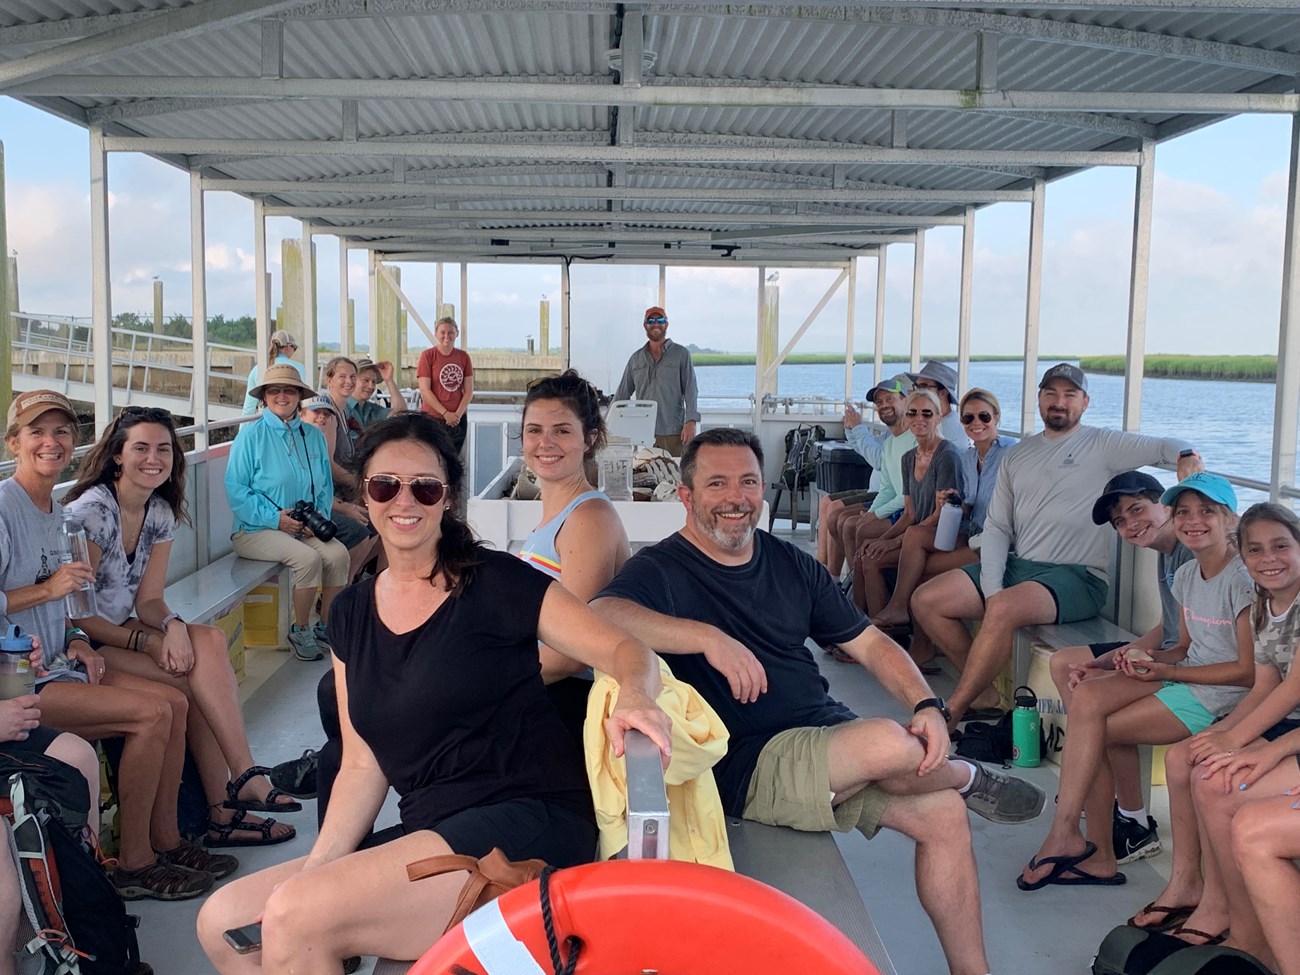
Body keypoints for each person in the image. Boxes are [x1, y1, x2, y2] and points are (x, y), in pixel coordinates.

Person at [196, 413, 671, 971]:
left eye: (424, 486)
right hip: (433, 828)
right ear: (366, 498)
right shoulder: (351, 612)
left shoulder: (498, 583)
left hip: (525, 820)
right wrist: (320, 863)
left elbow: (626, 651)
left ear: (446, 497)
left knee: (297, 915)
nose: (405, 500)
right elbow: (360, 764)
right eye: (384, 485)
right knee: (222, 920)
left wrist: (636, 694)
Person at [591, 427, 1046, 975]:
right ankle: (965, 775)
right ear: (686, 497)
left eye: (748, 482)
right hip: (753, 762)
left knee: (943, 814)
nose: (736, 497)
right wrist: (708, 638)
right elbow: (603, 615)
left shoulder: (791, 563)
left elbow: (872, 643)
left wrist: (929, 706)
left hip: (828, 743)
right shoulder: (661, 570)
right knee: (889, 743)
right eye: (716, 483)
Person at [0, 390, 214, 900]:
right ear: (13, 443)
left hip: (59, 664)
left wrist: (78, 638)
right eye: (37, 432)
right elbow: (47, 592)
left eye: (62, 432)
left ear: (76, 444)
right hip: (16, 679)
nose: (51, 442)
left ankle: (164, 840)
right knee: (152, 714)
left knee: (176, 701)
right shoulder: (5, 507)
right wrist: (48, 591)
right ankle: (134, 863)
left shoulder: (60, 514)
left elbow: (74, 607)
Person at [63, 406, 298, 853]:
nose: (154, 458)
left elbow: (150, 599)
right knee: (192, 684)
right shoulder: (92, 513)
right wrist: (148, 641)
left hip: (122, 624)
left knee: (204, 640)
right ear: (117, 455)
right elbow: (78, 615)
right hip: (81, 641)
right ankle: (228, 800)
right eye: (141, 448)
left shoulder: (157, 511)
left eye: (164, 449)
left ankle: (240, 780)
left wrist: (170, 625)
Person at [912, 363, 1198, 725]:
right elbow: (999, 526)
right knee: (926, 600)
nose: (1059, 402)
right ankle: (984, 691)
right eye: (1051, 393)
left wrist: (1186, 454)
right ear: (1040, 400)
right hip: (1023, 566)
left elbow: (1162, 448)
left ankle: (953, 710)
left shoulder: (1102, 443)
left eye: (1069, 394)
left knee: (1001, 609)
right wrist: (993, 588)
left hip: (1077, 577)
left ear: (1085, 402)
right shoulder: (1018, 455)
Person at [1017, 472, 1254, 892]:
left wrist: (1167, 671)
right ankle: (1078, 838)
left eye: (1206, 512)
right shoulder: (1184, 575)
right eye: (1184, 512)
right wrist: (1141, 660)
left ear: (1231, 519)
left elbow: (1247, 672)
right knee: (1087, 694)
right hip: (1185, 674)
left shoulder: (1241, 579)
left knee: (1093, 735)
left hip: (1221, 695)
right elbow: (1181, 645)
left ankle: (1083, 841)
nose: (1193, 520)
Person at [1128, 502, 1300, 960]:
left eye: (1282, 546)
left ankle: (1246, 931)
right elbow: (1267, 683)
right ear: (1243, 556)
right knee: (1195, 762)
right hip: (1288, 722)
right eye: (1257, 549)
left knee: (1217, 778)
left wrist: (1239, 742)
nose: (1270, 559)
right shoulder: (1265, 602)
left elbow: (1290, 689)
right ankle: (1219, 907)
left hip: (1293, 730)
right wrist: (1228, 736)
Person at [1050, 471, 1195, 865]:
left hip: (1189, 666)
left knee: (1092, 715)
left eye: (1137, 509)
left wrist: (1129, 662)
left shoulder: (1189, 550)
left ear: (1164, 504)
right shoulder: (1167, 551)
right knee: (1068, 663)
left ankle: (1118, 812)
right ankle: (1116, 804)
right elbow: (1169, 625)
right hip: (1171, 651)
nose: (1131, 524)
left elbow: (1192, 644)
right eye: (1121, 521)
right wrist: (1110, 658)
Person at [871, 389, 1013, 671]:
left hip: (995, 548)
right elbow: (970, 507)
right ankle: (918, 645)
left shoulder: (1010, 454)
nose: (976, 423)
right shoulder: (971, 458)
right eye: (968, 417)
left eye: (984, 416)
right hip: (972, 536)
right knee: (913, 556)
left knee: (919, 561)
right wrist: (952, 502)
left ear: (996, 417)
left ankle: (903, 620)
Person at [225, 364, 350, 663]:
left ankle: (325, 625)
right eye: (274, 390)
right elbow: (236, 490)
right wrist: (276, 520)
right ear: (264, 397)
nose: (282, 396)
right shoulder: (250, 437)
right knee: (307, 559)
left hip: (301, 527)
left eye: (289, 390)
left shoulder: (313, 436)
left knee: (338, 555)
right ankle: (301, 628)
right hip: (254, 530)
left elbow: (324, 486)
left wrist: (316, 518)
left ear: (298, 396)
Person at [852, 388, 963, 617]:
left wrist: (894, 543)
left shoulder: (947, 456)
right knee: (866, 555)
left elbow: (941, 515)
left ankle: (888, 622)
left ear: (938, 417)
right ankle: (863, 625)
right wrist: (880, 540)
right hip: (915, 532)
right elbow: (909, 513)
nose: (919, 419)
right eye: (913, 413)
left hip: (937, 536)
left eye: (927, 414)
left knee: (876, 558)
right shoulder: (908, 458)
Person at [815, 373, 908, 576]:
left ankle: (850, 581)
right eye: (880, 402)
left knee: (845, 519)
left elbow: (878, 463)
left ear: (906, 400)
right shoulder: (890, 437)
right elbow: (885, 481)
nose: (883, 405)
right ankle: (833, 576)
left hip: (899, 505)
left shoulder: (910, 438)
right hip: (882, 495)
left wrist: (859, 428)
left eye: (890, 399)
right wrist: (851, 430)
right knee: (838, 515)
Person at [317, 356, 382, 583]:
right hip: (328, 497)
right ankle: (341, 588)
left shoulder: (344, 413)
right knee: (363, 530)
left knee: (383, 525)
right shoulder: (327, 414)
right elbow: (329, 466)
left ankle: (355, 580)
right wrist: (361, 486)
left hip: (343, 493)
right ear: (329, 380)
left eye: (352, 376)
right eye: (342, 376)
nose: (349, 381)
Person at [614, 305, 700, 456]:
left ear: (666, 324)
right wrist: (606, 424)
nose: (655, 324)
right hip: (643, 433)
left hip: (673, 431)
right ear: (645, 325)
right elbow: (622, 394)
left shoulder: (681, 354)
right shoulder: (636, 358)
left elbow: (690, 389)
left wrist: (691, 421)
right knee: (645, 474)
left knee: (675, 475)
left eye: (660, 319)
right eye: (651, 320)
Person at [416, 316, 474, 456]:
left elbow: (469, 390)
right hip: (433, 417)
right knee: (434, 457)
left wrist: (457, 415)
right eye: (443, 332)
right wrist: (445, 413)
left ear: (457, 334)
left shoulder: (463, 357)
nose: (446, 336)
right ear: (436, 333)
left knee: (453, 459)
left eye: (451, 332)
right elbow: (425, 389)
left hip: (457, 419)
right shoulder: (428, 355)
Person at [242, 330, 305, 416]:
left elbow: (248, 408)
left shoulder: (257, 369)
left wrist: (243, 429)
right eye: (294, 348)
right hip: (293, 421)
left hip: (266, 421)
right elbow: (305, 402)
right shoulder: (299, 368)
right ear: (289, 347)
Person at [906, 360, 964, 443]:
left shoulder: (950, 429)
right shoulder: (947, 421)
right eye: (917, 386)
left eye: (923, 386)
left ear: (943, 392)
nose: (918, 391)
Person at [348, 357, 407, 434]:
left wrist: (389, 380)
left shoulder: (372, 409)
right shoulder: (341, 408)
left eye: (374, 382)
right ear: (352, 380)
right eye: (366, 380)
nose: (371, 386)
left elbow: (401, 412)